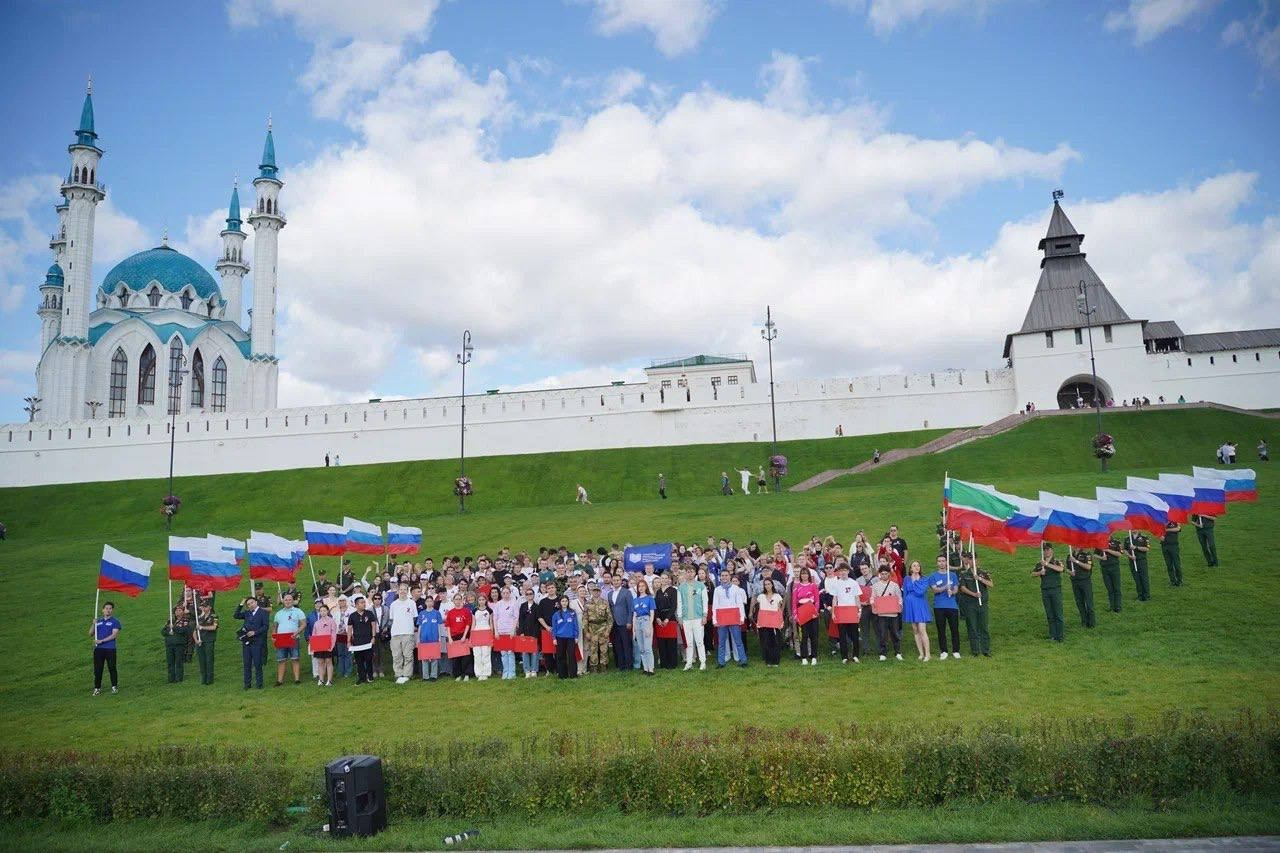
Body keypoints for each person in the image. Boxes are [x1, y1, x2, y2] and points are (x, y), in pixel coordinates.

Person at [955, 554, 992, 657]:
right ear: (968, 561)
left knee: (984, 627)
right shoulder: (964, 574)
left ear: (977, 561)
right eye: (970, 559)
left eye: (974, 559)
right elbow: (962, 588)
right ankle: (975, 650)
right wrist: (974, 594)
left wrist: (979, 579)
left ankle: (986, 650)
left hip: (982, 604)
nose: (972, 561)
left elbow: (991, 584)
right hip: (970, 604)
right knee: (972, 628)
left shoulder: (983, 573)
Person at [823, 563, 860, 664]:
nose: (843, 572)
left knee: (854, 635)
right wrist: (834, 612)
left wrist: (859, 611)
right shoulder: (836, 583)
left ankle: (856, 655)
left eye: (845, 570)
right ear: (839, 572)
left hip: (852, 611)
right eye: (841, 571)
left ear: (848, 571)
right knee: (842, 636)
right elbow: (834, 599)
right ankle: (844, 657)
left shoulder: (853, 583)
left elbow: (857, 598)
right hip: (841, 611)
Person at [712, 568, 748, 668]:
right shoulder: (717, 589)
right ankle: (721, 662)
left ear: (730, 577)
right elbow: (715, 605)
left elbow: (740, 604)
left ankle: (743, 660)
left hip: (734, 617)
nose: (724, 577)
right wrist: (715, 619)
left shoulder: (736, 589)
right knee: (722, 641)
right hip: (722, 617)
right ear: (720, 578)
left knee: (738, 641)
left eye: (726, 575)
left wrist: (742, 617)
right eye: (722, 576)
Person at [927, 556, 960, 659]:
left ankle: (956, 650)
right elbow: (935, 590)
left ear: (946, 562)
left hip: (952, 606)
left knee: (954, 629)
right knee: (941, 629)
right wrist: (945, 587)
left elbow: (956, 589)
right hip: (939, 606)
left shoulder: (953, 575)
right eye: (939, 561)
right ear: (937, 563)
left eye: (943, 561)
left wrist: (952, 591)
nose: (941, 563)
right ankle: (944, 651)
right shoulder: (933, 576)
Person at [676, 566, 708, 670]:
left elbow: (705, 601)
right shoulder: (681, 587)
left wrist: (704, 615)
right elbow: (679, 603)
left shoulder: (700, 586)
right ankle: (689, 663)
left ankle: (703, 662)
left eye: (691, 572)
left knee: (699, 641)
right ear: (685, 574)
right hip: (686, 618)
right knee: (689, 642)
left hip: (698, 617)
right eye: (687, 572)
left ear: (695, 573)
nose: (689, 574)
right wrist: (680, 617)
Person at [234, 595, 269, 690]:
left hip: (257, 641)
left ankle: (259, 684)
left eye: (252, 603)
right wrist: (241, 604)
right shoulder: (247, 613)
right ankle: (247, 684)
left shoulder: (263, 612)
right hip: (246, 642)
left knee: (257, 663)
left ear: (256, 602)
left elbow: (265, 626)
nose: (250, 605)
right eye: (248, 604)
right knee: (247, 664)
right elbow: (236, 615)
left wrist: (255, 632)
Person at [272, 592, 306, 686]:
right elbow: (274, 627)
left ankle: (297, 679)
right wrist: (273, 637)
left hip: (293, 638)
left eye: (290, 599)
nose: (287, 601)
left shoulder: (298, 611)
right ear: (283, 601)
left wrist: (297, 632)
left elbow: (303, 624)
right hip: (281, 639)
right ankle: (279, 681)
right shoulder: (278, 613)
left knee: (295, 659)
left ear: (293, 601)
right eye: (286, 600)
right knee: (281, 660)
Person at [1033, 544, 1065, 642]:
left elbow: (1061, 569)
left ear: (1052, 550)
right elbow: (1032, 573)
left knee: (1058, 613)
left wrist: (1047, 564)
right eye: (1044, 550)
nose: (1046, 552)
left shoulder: (1056, 561)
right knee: (1049, 613)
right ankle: (1052, 634)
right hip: (1045, 590)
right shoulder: (1040, 563)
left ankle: (1060, 636)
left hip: (1055, 589)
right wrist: (1039, 573)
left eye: (1048, 549)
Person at [387, 583, 418, 684]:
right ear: (398, 591)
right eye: (401, 589)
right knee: (397, 656)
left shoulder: (412, 603)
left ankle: (407, 675)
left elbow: (414, 617)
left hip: (408, 632)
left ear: (407, 591)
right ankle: (398, 674)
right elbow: (392, 619)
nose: (403, 591)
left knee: (408, 655)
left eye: (405, 589)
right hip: (395, 633)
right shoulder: (393, 604)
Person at [871, 567, 903, 661]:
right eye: (882, 573)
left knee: (895, 634)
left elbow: (899, 598)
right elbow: (872, 598)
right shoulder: (875, 586)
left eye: (886, 573)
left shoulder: (894, 585)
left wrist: (900, 606)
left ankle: (898, 652)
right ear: (880, 574)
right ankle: (882, 653)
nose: (884, 575)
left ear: (889, 574)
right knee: (882, 634)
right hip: (881, 614)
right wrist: (873, 607)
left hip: (893, 614)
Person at [902, 562, 932, 662]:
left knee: (922, 629)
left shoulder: (924, 579)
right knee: (915, 629)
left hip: (920, 605)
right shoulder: (906, 579)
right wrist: (905, 605)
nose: (916, 567)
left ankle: (928, 654)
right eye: (914, 565)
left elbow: (920, 592)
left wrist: (914, 583)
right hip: (910, 605)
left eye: (918, 565)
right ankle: (921, 653)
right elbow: (905, 592)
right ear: (910, 568)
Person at [753, 577, 785, 666]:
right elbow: (759, 610)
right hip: (764, 623)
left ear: (772, 585)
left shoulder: (777, 596)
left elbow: (779, 610)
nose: (767, 586)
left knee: (775, 642)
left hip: (774, 622)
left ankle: (775, 661)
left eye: (769, 584)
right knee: (766, 642)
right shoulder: (761, 596)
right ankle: (768, 661)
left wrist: (780, 621)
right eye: (765, 584)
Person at [91, 601, 122, 695]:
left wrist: (102, 641)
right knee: (98, 669)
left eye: (110, 609)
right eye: (106, 608)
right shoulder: (98, 621)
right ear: (103, 610)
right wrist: (93, 624)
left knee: (112, 667)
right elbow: (90, 634)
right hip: (98, 649)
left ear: (112, 610)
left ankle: (114, 687)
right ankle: (97, 688)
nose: (108, 610)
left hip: (110, 649)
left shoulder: (115, 622)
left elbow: (114, 635)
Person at [791, 567, 820, 665]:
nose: (804, 575)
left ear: (809, 575)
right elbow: (794, 603)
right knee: (804, 635)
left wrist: (815, 611)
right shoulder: (796, 587)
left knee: (814, 635)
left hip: (812, 612)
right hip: (801, 612)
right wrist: (795, 615)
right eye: (802, 573)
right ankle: (804, 656)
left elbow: (817, 600)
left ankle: (814, 656)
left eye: (806, 573)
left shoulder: (813, 586)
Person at [347, 594, 378, 685]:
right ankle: (362, 678)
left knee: (369, 659)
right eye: (361, 603)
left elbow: (373, 626)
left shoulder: (369, 613)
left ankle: (370, 676)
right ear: (356, 605)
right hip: (357, 641)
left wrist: (373, 637)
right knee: (359, 660)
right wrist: (348, 641)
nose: (364, 604)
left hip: (368, 640)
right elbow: (349, 629)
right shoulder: (352, 616)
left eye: (364, 602)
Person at [608, 573, 634, 671]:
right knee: (617, 645)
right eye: (614, 580)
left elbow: (630, 607)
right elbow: (611, 608)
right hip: (614, 623)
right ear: (612, 581)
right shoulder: (610, 594)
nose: (615, 582)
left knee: (626, 644)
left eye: (617, 580)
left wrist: (629, 621)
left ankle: (629, 665)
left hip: (624, 622)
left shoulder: (627, 592)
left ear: (621, 581)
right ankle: (621, 665)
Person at [492, 586, 520, 680]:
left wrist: (513, 630)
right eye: (503, 593)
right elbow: (495, 618)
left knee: (510, 652)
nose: (505, 595)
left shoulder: (514, 603)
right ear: (501, 594)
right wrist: (496, 631)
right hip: (500, 631)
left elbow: (516, 617)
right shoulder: (498, 604)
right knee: (503, 653)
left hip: (510, 631)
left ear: (510, 593)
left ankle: (512, 673)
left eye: (507, 593)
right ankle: (505, 672)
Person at [653, 573, 680, 669]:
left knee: (671, 641)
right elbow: (655, 606)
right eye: (662, 578)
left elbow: (674, 606)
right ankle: (664, 663)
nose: (664, 580)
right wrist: (658, 618)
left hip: (670, 618)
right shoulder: (658, 592)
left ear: (669, 579)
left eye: (666, 578)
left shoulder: (673, 590)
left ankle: (672, 663)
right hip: (660, 619)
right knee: (662, 642)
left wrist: (667, 618)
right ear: (660, 580)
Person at [162, 605, 193, 683]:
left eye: (179, 610)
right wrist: (168, 631)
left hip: (179, 644)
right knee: (170, 662)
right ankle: (171, 678)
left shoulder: (185, 621)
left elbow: (185, 630)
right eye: (176, 610)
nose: (177, 612)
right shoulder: (170, 621)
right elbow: (163, 631)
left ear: (183, 612)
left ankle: (179, 678)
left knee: (178, 662)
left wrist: (174, 628)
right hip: (169, 644)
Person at [632, 578, 656, 675]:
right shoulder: (635, 600)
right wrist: (633, 630)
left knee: (647, 647)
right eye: (639, 586)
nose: (641, 588)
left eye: (643, 586)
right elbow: (634, 615)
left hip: (646, 621)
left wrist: (649, 627)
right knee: (641, 648)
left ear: (646, 587)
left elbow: (652, 613)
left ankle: (651, 669)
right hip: (637, 622)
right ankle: (645, 668)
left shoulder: (650, 598)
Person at [1067, 547, 1096, 628]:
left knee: (1089, 603)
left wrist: (1076, 561)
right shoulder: (1069, 555)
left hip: (1085, 581)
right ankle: (1084, 621)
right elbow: (1068, 568)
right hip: (1075, 582)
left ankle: (1092, 623)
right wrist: (1070, 572)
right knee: (1079, 602)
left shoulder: (1087, 554)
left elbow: (1088, 567)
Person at [552, 596, 579, 678]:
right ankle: (562, 675)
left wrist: (576, 636)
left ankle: (573, 674)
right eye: (563, 601)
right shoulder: (556, 614)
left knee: (571, 655)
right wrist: (554, 638)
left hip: (570, 637)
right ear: (560, 603)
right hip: (560, 637)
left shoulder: (572, 613)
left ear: (568, 602)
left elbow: (575, 625)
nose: (564, 603)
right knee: (560, 656)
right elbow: (554, 628)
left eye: (566, 601)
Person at [517, 587, 542, 678]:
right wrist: (521, 632)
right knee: (525, 652)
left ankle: (534, 670)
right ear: (525, 596)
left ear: (533, 595)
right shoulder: (523, 606)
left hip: (534, 633)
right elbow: (521, 620)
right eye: (527, 594)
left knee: (534, 652)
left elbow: (537, 621)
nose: (529, 595)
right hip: (524, 632)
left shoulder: (537, 606)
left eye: (530, 594)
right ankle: (527, 670)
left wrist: (535, 635)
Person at [312, 604, 338, 686]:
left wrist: (332, 646)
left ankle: (329, 680)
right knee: (320, 662)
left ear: (327, 611)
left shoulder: (331, 621)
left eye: (324, 610)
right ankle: (321, 679)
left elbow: (334, 634)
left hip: (328, 645)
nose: (323, 612)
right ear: (319, 612)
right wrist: (314, 646)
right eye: (321, 611)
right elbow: (314, 635)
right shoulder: (316, 623)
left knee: (328, 661)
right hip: (319, 645)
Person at [1098, 536, 1124, 613]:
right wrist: (1101, 558)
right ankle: (1112, 606)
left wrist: (1108, 550)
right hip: (1104, 568)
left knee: (1116, 588)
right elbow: (1095, 554)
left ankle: (1118, 606)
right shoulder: (1100, 542)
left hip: (1114, 567)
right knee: (1109, 588)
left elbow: (1119, 554)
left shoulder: (1117, 542)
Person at [194, 600, 218, 684]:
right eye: (203, 606)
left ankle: (209, 679)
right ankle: (203, 678)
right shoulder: (199, 618)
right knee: (201, 660)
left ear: (210, 607)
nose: (204, 608)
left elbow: (214, 627)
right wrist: (196, 640)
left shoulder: (214, 616)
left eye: (206, 606)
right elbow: (194, 631)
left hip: (209, 640)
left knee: (209, 660)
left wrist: (202, 627)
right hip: (200, 642)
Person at [1124, 533, 1152, 602]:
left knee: (1144, 578)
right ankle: (1140, 595)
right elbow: (1125, 550)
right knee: (1136, 578)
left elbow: (1147, 548)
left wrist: (1136, 547)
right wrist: (1130, 556)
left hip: (1141, 561)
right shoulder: (1128, 539)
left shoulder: (1144, 537)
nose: (1134, 529)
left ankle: (1146, 595)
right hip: (1132, 561)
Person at [1162, 520, 1184, 586]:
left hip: (1173, 545)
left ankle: (1179, 580)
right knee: (1169, 565)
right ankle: (1172, 581)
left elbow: (1178, 529)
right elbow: (1158, 531)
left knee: (1177, 564)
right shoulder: (1161, 521)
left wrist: (1166, 530)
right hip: (1164, 545)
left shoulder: (1175, 520)